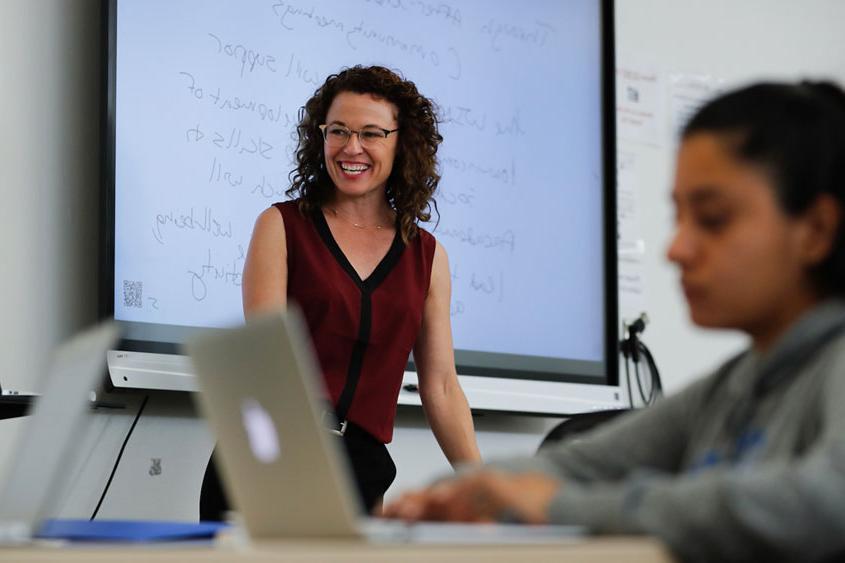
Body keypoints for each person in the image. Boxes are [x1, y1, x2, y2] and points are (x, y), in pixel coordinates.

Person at [384, 81, 845, 562]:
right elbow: (578, 464)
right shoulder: (730, 385)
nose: (676, 248)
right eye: (678, 216)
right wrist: (448, 495)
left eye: (712, 218)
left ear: (815, 231)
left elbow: (826, 500)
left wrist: (559, 507)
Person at [199, 65, 481, 519]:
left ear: (400, 142)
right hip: (273, 459)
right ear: (320, 137)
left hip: (362, 471)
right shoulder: (281, 226)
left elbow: (443, 387)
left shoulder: (427, 256)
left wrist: (484, 489)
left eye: (371, 133)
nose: (352, 148)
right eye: (338, 131)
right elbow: (266, 367)